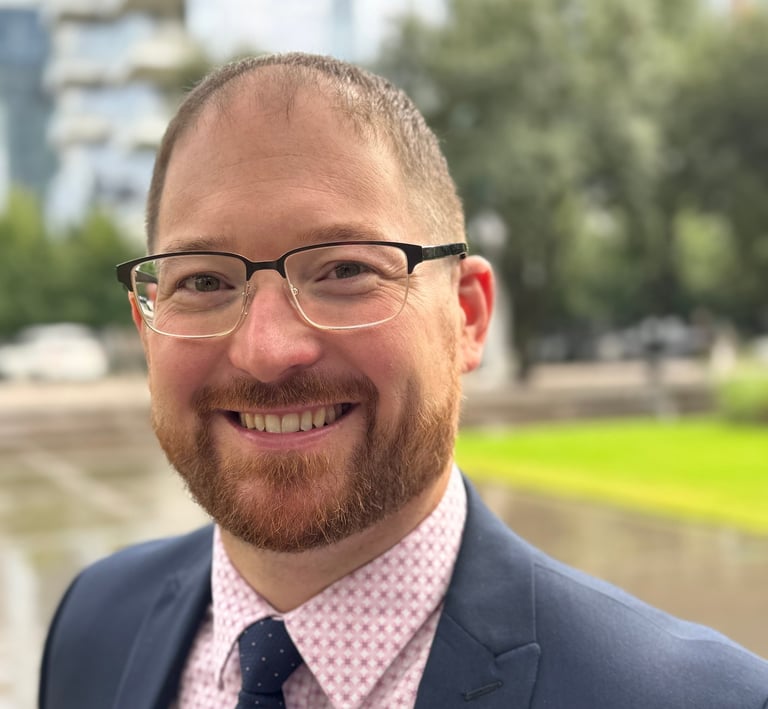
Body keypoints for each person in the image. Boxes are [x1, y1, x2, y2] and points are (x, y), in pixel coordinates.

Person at [39, 52, 768, 709]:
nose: (266, 349)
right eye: (202, 280)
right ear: (147, 327)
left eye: (345, 270)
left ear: (469, 316)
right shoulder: (94, 623)